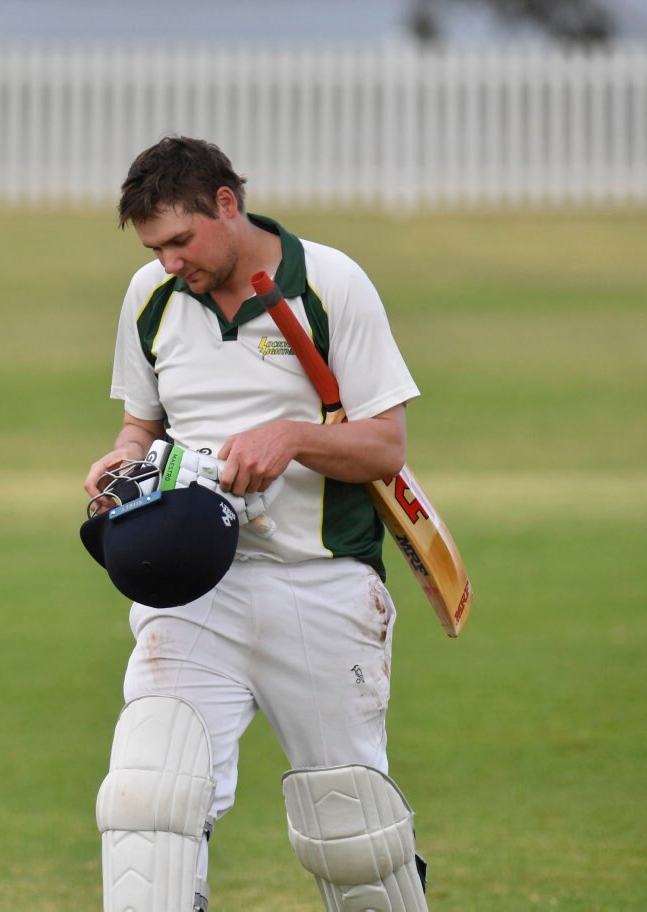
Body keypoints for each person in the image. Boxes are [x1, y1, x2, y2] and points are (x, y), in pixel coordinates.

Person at [85, 136, 429, 912]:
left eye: (182, 240)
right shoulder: (151, 296)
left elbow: (384, 448)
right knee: (150, 799)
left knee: (353, 839)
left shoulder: (331, 284)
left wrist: (293, 436)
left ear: (228, 205)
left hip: (322, 580)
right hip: (197, 584)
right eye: (155, 247)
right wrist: (121, 460)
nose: (170, 261)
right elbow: (141, 428)